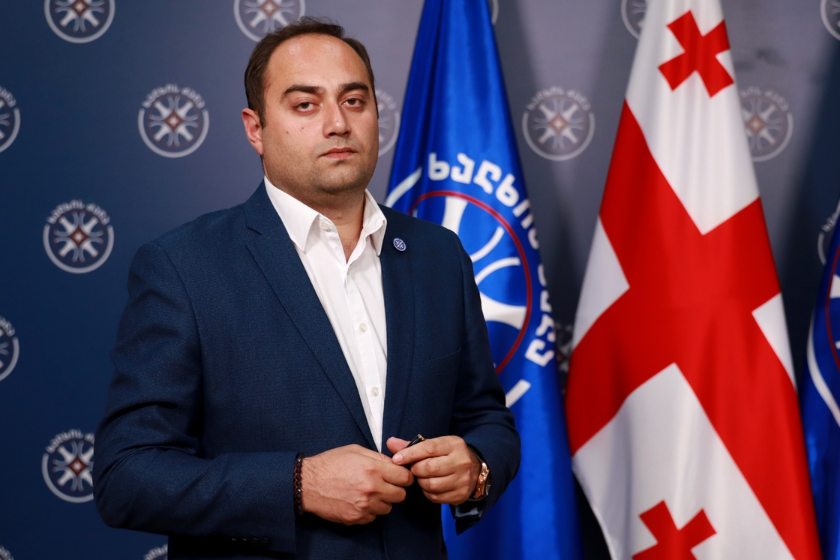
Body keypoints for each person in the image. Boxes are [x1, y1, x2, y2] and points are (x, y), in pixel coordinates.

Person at [93, 17, 520, 560]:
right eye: (305, 105)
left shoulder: (439, 255)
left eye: (354, 101)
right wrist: (298, 485)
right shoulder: (183, 266)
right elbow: (126, 475)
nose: (338, 123)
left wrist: (476, 466)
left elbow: (486, 417)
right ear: (255, 129)